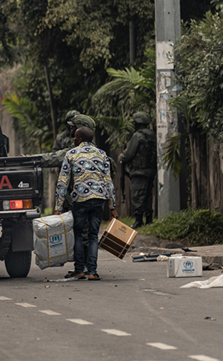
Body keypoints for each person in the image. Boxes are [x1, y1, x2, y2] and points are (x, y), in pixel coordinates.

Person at [54, 127, 116, 281]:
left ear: (80, 139)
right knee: (94, 235)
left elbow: (63, 182)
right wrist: (112, 206)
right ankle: (93, 272)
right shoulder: (102, 154)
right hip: (99, 199)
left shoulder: (71, 154)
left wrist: (58, 207)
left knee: (78, 234)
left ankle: (79, 270)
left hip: (80, 199)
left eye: (75, 137)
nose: (73, 139)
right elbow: (108, 182)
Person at [119, 112, 157, 228]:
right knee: (148, 195)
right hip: (150, 171)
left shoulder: (137, 136)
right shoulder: (152, 135)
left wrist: (121, 156)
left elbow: (128, 154)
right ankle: (149, 219)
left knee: (138, 195)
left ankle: (139, 220)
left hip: (139, 171)